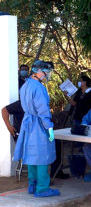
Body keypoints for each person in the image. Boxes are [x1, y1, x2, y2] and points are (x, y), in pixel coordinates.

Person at [14, 60, 60, 197]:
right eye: (46, 72)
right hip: (39, 124)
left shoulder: (25, 85)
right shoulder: (39, 88)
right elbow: (43, 110)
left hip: (27, 123)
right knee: (42, 156)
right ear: (39, 72)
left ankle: (32, 184)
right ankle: (42, 188)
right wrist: (49, 127)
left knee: (31, 154)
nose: (47, 75)